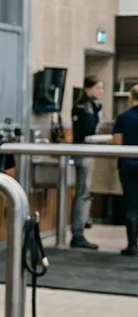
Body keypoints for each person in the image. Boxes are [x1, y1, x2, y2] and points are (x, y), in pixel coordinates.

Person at [69, 76, 105, 249]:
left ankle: (80, 228)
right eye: (98, 88)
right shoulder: (85, 107)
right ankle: (78, 232)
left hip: (86, 150)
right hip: (83, 150)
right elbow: (88, 129)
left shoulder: (88, 105)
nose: (100, 92)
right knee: (83, 192)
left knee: (84, 192)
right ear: (87, 89)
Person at [112, 86, 138, 257]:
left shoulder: (123, 117)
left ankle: (132, 246)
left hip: (128, 165)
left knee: (131, 204)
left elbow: (117, 143)